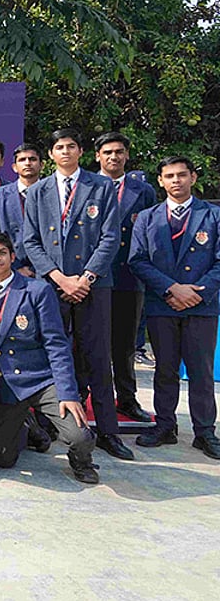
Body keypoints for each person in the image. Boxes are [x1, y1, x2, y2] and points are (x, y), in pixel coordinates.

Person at [21, 128, 132, 461]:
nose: (65, 151)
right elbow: (31, 241)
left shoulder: (100, 187)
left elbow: (110, 238)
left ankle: (108, 432)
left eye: (71, 146)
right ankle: (53, 424)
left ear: (81, 151)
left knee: (98, 357)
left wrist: (84, 278)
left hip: (93, 286)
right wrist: (59, 278)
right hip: (53, 288)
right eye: (59, 147)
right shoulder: (39, 191)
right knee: (54, 354)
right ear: (51, 154)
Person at [0, 232, 99, 483]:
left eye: (2, 253)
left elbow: (56, 344)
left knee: (78, 435)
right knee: (3, 459)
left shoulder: (37, 290)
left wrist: (69, 393)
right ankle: (28, 426)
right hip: (3, 383)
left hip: (38, 379)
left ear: (12, 256)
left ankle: (82, 461)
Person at [129, 157, 220, 459]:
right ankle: (165, 425)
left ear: (193, 177)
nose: (176, 181)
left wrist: (197, 293)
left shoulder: (213, 215)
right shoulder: (147, 217)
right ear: (160, 181)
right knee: (165, 369)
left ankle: (205, 431)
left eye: (182, 175)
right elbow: (137, 260)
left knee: (201, 371)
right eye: (169, 176)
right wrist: (171, 289)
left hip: (200, 305)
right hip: (163, 303)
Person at [94, 132, 157, 423]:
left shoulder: (142, 191)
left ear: (127, 156)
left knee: (125, 344)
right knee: (89, 342)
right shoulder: (86, 185)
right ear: (97, 156)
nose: (113, 157)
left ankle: (127, 399)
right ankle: (85, 397)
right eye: (107, 152)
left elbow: (150, 233)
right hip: (93, 277)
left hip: (129, 277)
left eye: (119, 152)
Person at [0, 143, 41, 277]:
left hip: (47, 269)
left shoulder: (52, 192)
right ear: (14, 167)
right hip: (12, 267)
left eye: (32, 159)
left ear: (42, 165)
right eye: (22, 160)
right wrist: (16, 266)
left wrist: (42, 268)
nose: (28, 163)